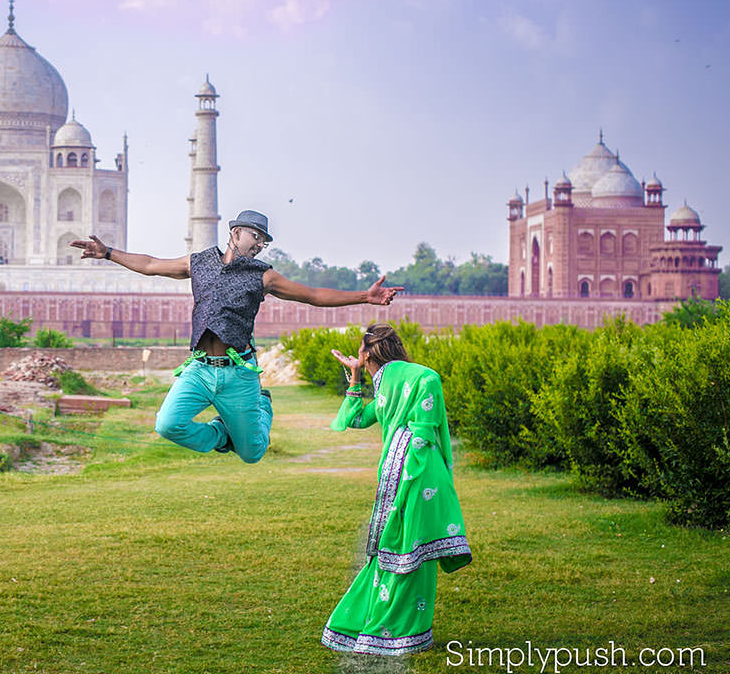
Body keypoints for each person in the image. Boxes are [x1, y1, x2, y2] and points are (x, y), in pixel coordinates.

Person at [71, 209, 402, 463]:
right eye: (255, 236)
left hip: (239, 374)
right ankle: (219, 435)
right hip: (199, 369)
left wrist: (364, 296)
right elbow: (151, 264)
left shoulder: (264, 276)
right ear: (236, 232)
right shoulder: (199, 262)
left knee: (253, 453)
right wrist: (109, 253)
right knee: (167, 425)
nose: (259, 244)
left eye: (264, 241)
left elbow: (312, 294)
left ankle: (263, 403)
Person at [321, 323, 472, 656]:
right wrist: (357, 376)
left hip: (404, 476)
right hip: (417, 477)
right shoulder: (416, 379)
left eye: (359, 355)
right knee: (411, 554)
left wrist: (356, 377)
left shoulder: (398, 383)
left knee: (405, 552)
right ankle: (400, 631)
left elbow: (370, 422)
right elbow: (373, 422)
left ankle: (397, 628)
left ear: (368, 354)